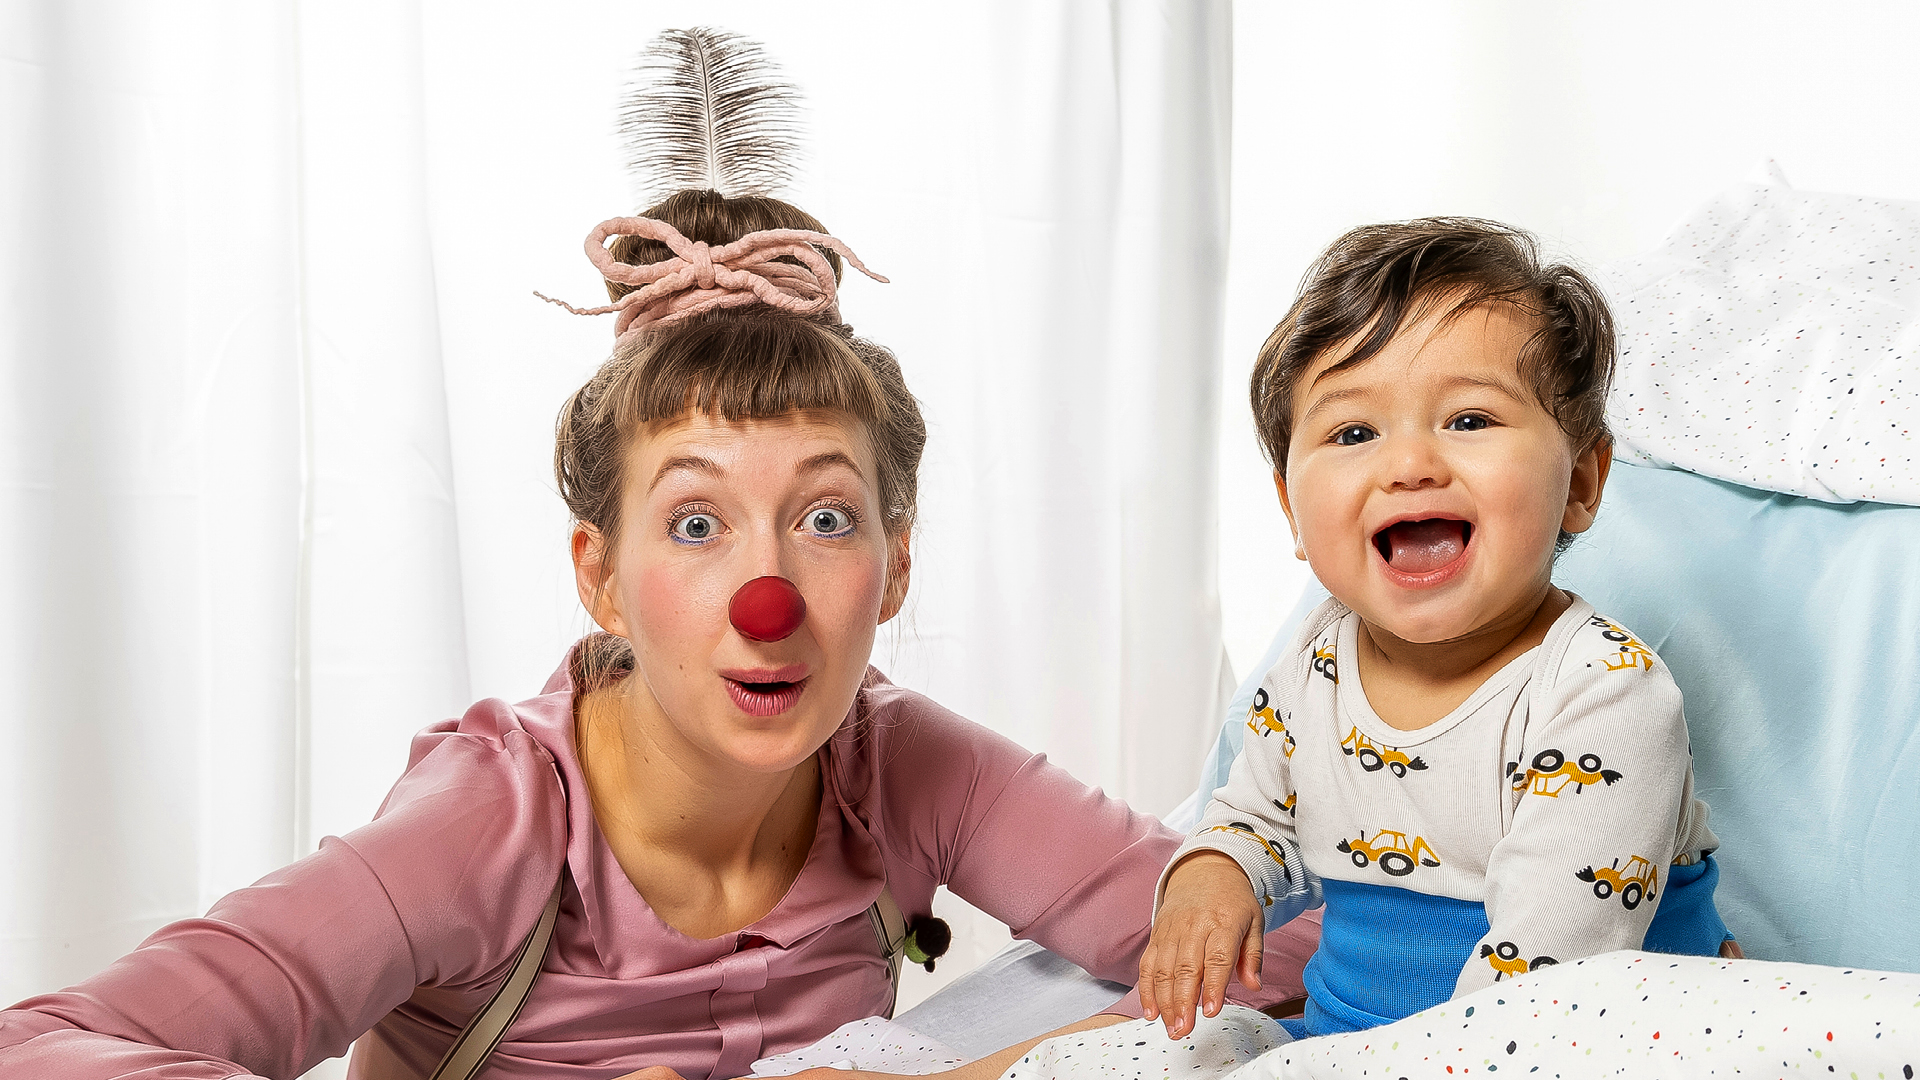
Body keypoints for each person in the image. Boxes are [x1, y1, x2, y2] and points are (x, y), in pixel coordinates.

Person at [0, 190, 1319, 1080]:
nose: (770, 595)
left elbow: (1272, 958)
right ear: (602, 577)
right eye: (696, 524)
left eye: (824, 517)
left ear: (895, 568)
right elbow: (45, 1042)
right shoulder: (492, 822)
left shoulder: (906, 766)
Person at [1139, 218, 1735, 1042]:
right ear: (1291, 512)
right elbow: (1257, 815)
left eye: (1469, 420)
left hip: (1586, 1043)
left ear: (1582, 482)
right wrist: (1212, 873)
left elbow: (1542, 983)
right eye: (1353, 433)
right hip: (1353, 1040)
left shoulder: (1605, 693)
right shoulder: (1314, 667)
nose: (1411, 463)